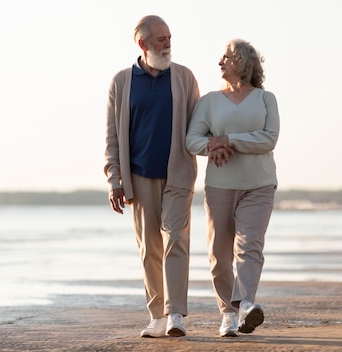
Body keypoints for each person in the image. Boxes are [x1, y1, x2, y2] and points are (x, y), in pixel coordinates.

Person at [104, 15, 200, 338]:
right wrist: (114, 180)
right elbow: (112, 139)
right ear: (143, 44)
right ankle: (156, 316)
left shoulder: (185, 78)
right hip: (139, 176)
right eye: (161, 39)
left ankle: (176, 314)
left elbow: (199, 126)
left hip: (178, 174)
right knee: (150, 247)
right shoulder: (121, 82)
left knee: (176, 238)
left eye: (169, 37)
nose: (168, 43)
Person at [185, 39, 280, 337]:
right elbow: (192, 140)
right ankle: (228, 312)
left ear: (242, 62)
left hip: (259, 184)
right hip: (220, 185)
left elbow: (269, 139)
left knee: (250, 245)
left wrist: (230, 140)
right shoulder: (210, 101)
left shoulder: (266, 99)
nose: (220, 62)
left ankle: (248, 305)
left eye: (226, 57)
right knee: (219, 253)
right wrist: (211, 147)